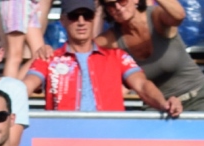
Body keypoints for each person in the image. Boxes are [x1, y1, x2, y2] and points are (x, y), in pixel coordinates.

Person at [26, 1, 185, 115]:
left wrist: (163, 103)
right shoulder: (50, 58)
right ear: (63, 20)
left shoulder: (117, 56)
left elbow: (142, 85)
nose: (81, 22)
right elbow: (27, 86)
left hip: (108, 137)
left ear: (94, 18)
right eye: (74, 16)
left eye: (87, 15)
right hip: (63, 138)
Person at [107, 0, 204, 112]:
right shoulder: (111, 39)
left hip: (195, 98)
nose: (118, 7)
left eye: (122, 1)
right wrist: (96, 13)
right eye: (110, 5)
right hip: (157, 106)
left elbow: (178, 16)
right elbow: (88, 47)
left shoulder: (156, 16)